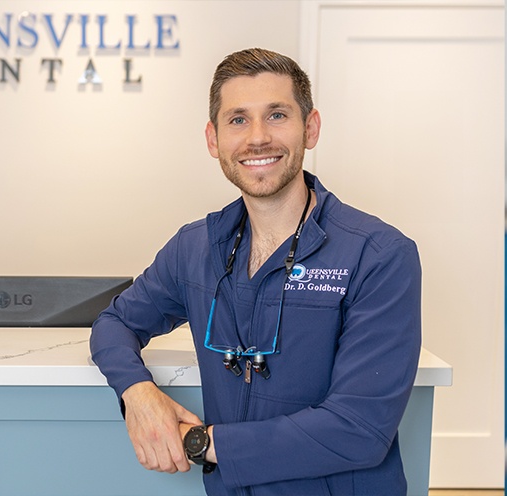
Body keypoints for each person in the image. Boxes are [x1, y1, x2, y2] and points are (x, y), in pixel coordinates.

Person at [89, 47, 421, 496]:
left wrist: (201, 443)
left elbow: (358, 429)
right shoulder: (196, 246)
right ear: (213, 139)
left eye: (278, 115)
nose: (258, 138)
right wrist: (138, 395)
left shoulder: (379, 255)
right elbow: (115, 323)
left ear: (312, 127)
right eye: (238, 119)